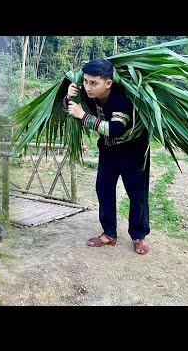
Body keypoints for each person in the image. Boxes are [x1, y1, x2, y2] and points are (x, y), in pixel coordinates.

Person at [63, 58, 150, 255]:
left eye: (93, 83)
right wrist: (70, 97)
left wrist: (82, 116)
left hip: (133, 152)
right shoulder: (88, 95)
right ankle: (109, 234)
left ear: (108, 83)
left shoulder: (123, 98)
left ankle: (139, 235)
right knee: (103, 190)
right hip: (107, 150)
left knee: (137, 194)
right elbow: (70, 109)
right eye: (85, 81)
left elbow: (115, 129)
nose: (88, 87)